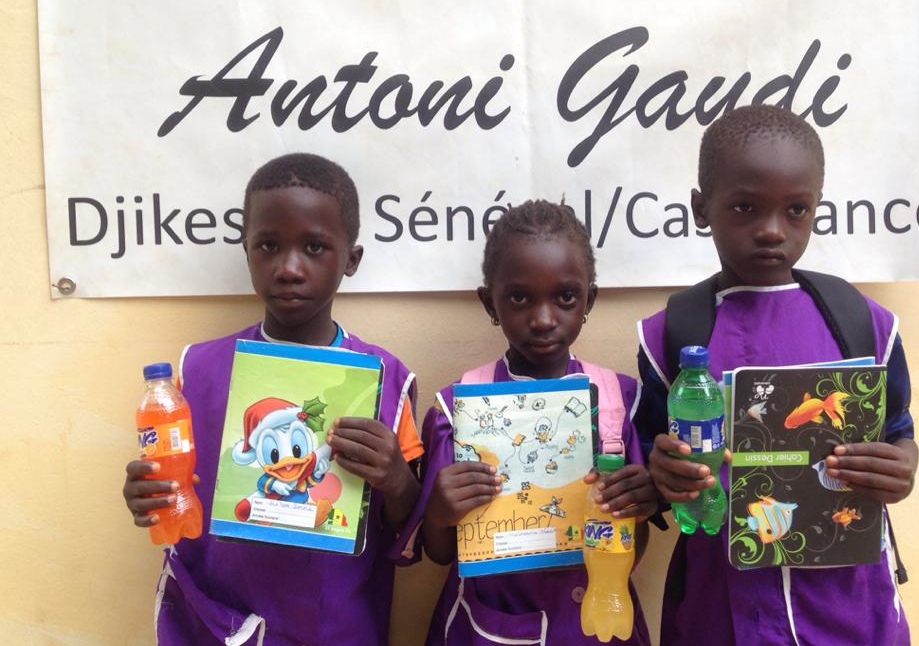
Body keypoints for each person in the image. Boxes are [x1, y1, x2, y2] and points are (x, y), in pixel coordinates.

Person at [636, 105, 917, 646]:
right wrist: (662, 476)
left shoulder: (865, 324)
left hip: (849, 609)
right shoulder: (668, 334)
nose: (771, 230)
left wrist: (903, 467)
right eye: (745, 207)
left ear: (816, 209)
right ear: (701, 208)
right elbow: (651, 457)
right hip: (720, 610)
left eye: (795, 210)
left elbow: (899, 432)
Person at [122, 153, 423, 645]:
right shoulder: (196, 372)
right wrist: (151, 495)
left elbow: (409, 528)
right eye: (268, 246)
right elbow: (174, 488)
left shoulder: (386, 382)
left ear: (351, 259)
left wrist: (396, 479)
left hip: (336, 625)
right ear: (247, 253)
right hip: (215, 623)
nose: (289, 268)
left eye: (314, 247)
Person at [400, 199, 658, 645]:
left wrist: (636, 504)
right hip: (488, 626)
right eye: (520, 298)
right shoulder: (454, 410)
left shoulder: (620, 401)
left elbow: (636, 547)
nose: (543, 319)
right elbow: (440, 554)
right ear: (490, 303)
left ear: (589, 299)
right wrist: (440, 512)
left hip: (597, 626)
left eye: (565, 297)